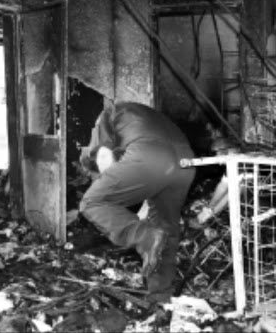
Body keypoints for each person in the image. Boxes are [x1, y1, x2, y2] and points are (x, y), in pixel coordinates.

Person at [79, 102, 196, 303]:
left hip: (151, 157)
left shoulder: (105, 117)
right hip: (186, 162)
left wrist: (106, 191)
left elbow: (105, 158)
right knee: (166, 228)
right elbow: (143, 178)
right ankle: (160, 299)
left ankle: (144, 237)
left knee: (92, 202)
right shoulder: (141, 116)